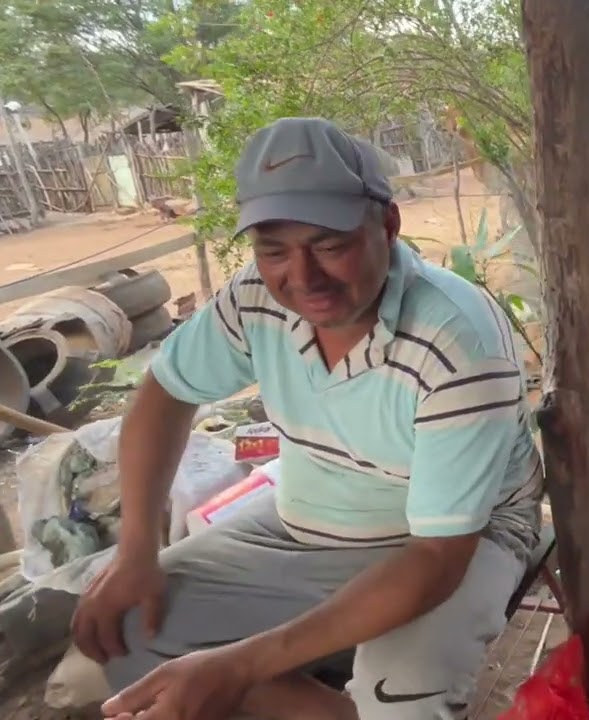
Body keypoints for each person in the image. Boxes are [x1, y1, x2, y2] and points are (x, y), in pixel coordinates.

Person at [70, 117, 543, 720]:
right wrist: (135, 548)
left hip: (461, 537)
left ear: (388, 226)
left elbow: (435, 560)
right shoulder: (254, 298)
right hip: (307, 521)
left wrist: (240, 664)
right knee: (125, 625)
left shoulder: (458, 341)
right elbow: (165, 393)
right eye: (274, 251)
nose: (303, 278)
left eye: (329, 245)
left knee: (399, 693)